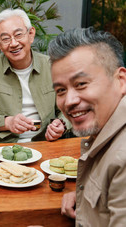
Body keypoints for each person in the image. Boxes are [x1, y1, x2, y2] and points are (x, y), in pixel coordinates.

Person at [48, 27, 126, 226]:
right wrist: (84, 198)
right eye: (61, 90)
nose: (69, 101)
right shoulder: (105, 131)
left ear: (121, 80)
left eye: (81, 83)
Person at [0, 8, 67, 143]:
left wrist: (62, 124)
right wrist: (7, 122)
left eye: (18, 35)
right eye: (5, 38)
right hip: (5, 147)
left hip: (46, 143)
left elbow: (68, 107)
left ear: (31, 34)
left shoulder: (52, 66)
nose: (13, 43)